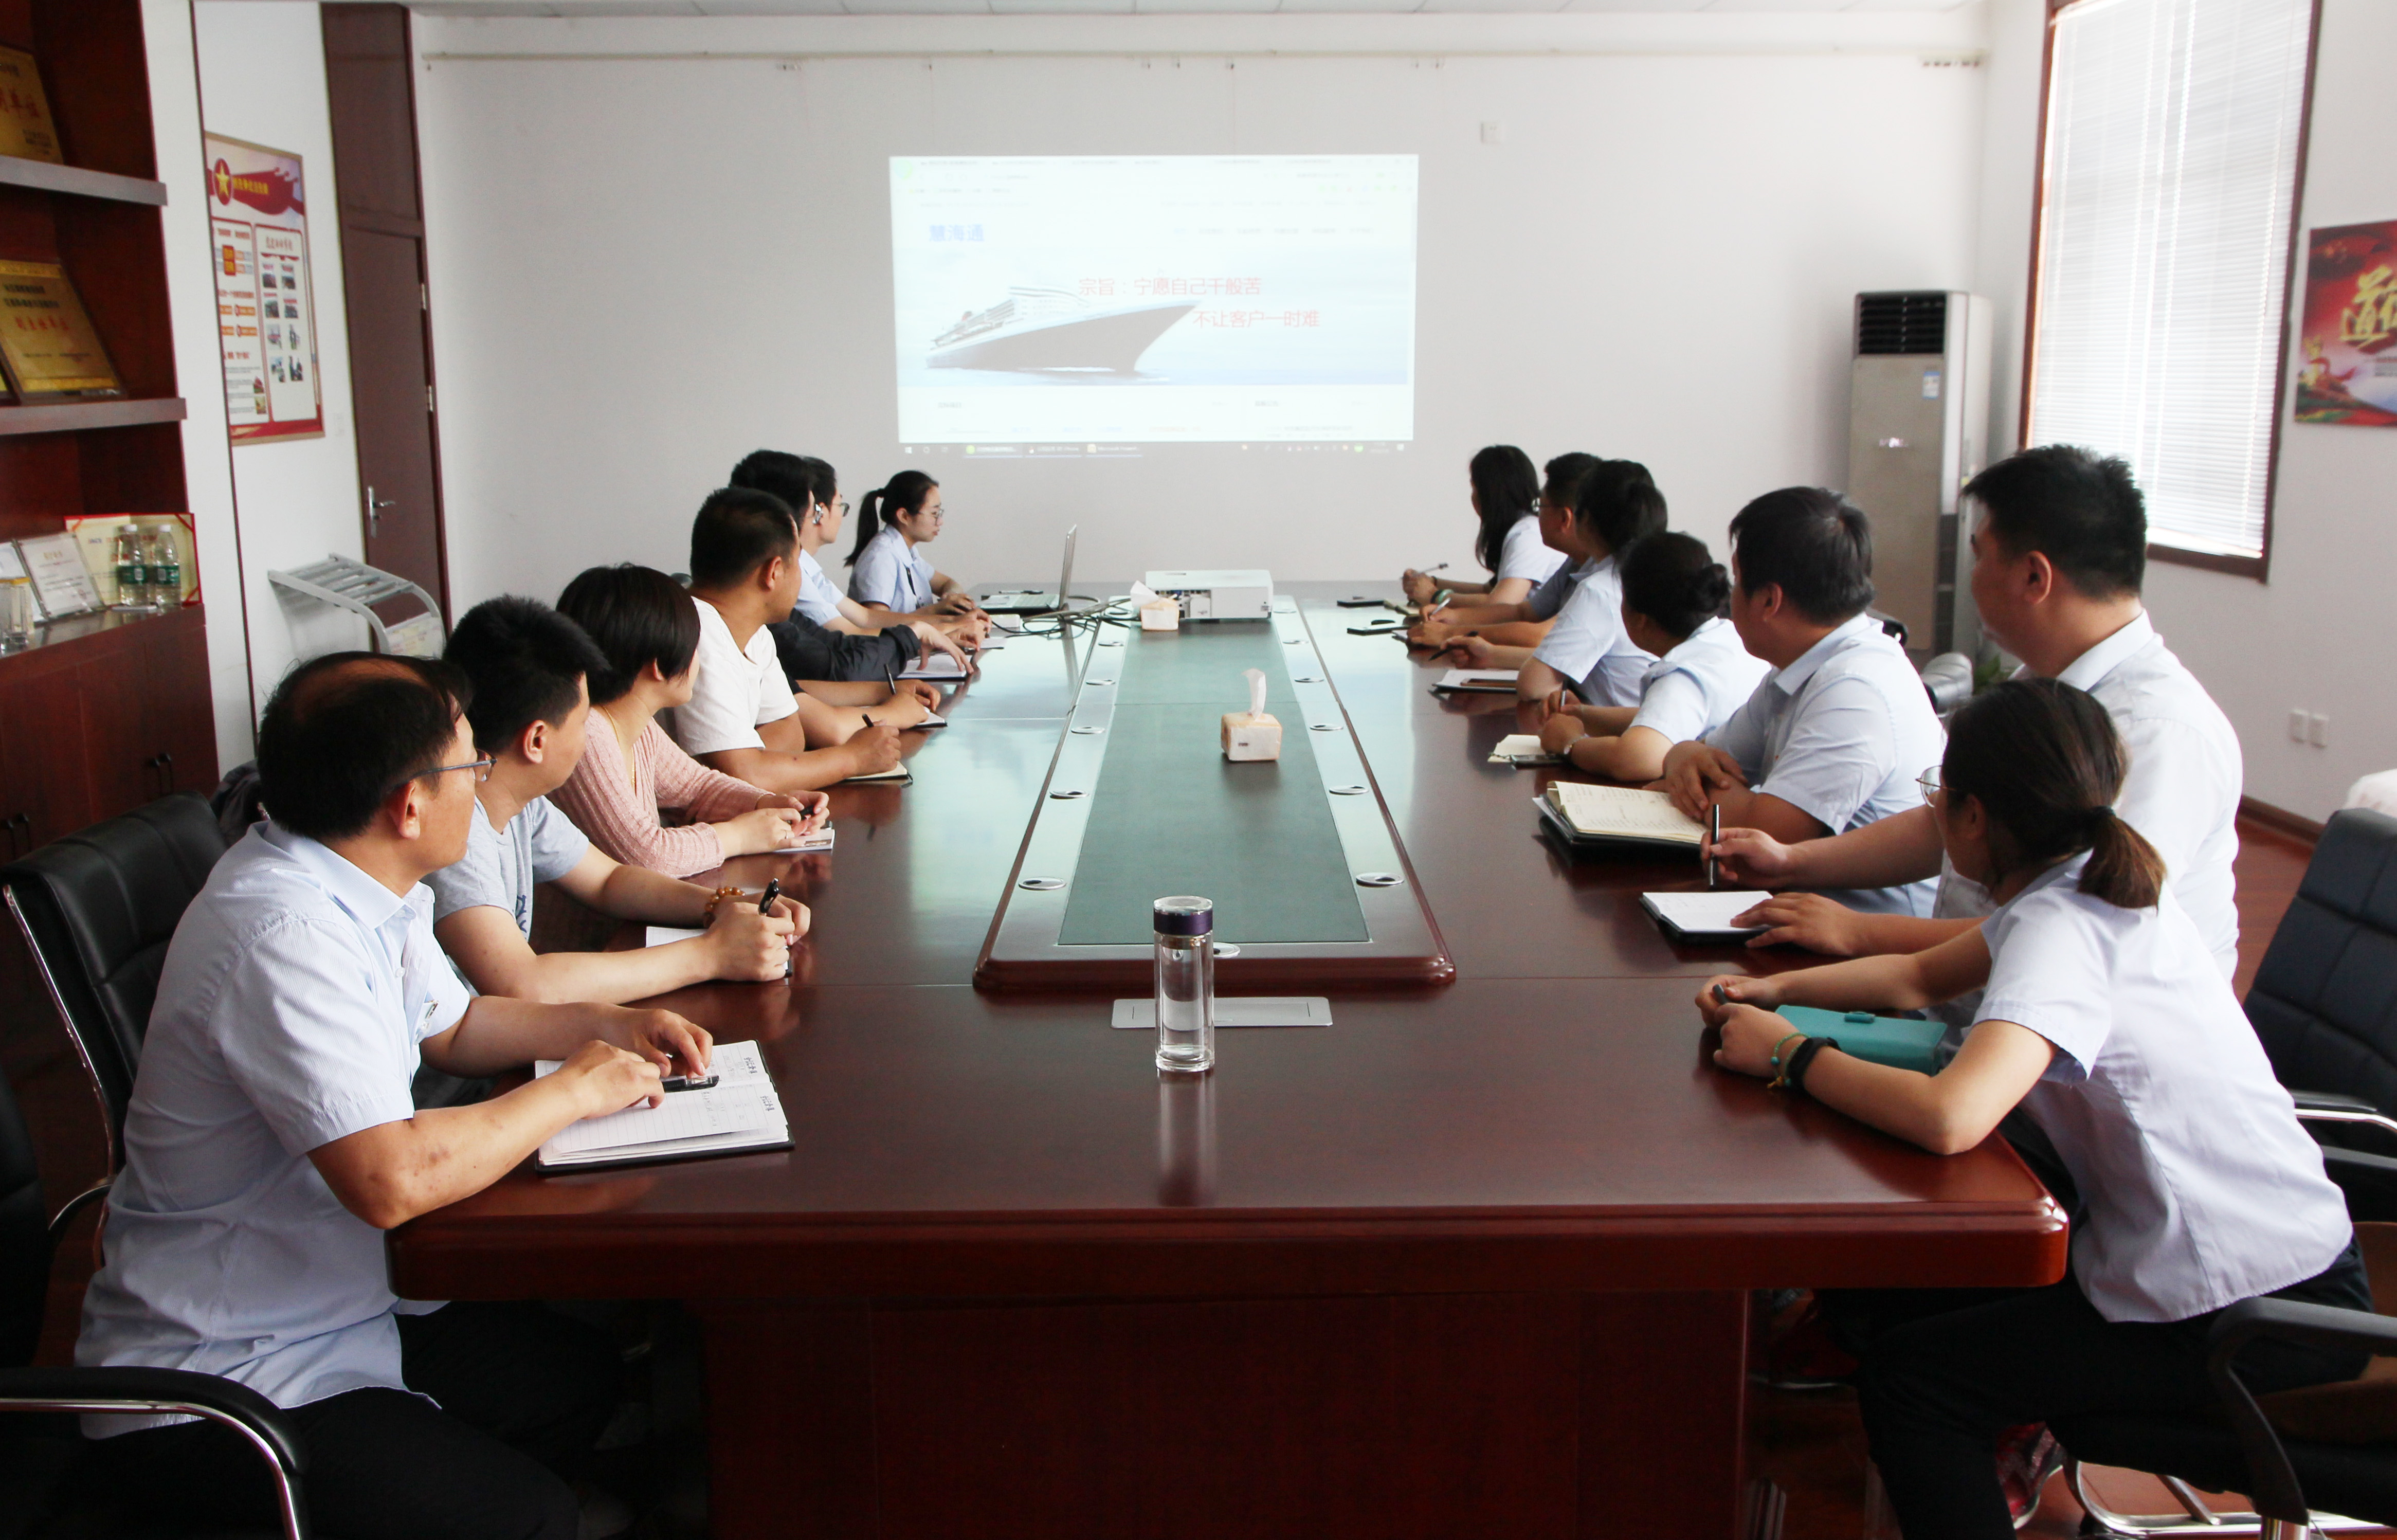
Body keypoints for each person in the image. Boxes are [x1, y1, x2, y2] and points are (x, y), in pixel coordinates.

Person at [1696, 679, 2366, 1539]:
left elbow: (1951, 1117)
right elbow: (1914, 976)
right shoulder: (2087, 884)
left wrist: (1790, 1055)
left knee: (1915, 1381)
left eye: (1938, 796)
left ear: (1974, 817)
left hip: (2251, 1308)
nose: (1934, 811)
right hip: (2266, 1258)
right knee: (1924, 1314)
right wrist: (1770, 992)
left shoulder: (2063, 929)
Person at [76, 652, 716, 1540]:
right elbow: (391, 1180)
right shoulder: (283, 932)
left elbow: (457, 1026)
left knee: (580, 1374)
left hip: (342, 1295)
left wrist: (607, 1025)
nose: (483, 779)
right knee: (528, 1516)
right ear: (409, 805)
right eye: (470, 762)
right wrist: (574, 1090)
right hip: (224, 1377)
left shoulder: (364, 877)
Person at [1706, 445, 2243, 979]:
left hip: (2078, 1026)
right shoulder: (2039, 684)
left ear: (2034, 577)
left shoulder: (2156, 731)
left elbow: (2075, 932)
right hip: (1970, 997)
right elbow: (1945, 824)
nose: (1973, 575)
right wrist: (1789, 861)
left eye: (1980, 555)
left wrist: (1860, 931)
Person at [430, 595, 810, 1003]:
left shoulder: (521, 803)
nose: (588, 735)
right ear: (537, 741)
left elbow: (608, 881)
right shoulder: (458, 828)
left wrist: (725, 903)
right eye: (582, 721)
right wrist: (711, 954)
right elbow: (523, 983)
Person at [1660, 487, 1944, 916]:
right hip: (1801, 913)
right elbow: (1712, 755)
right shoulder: (1801, 665)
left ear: (1768, 600)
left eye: (1737, 579)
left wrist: (1697, 775)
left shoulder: (1856, 688)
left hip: (1872, 939)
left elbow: (1764, 835)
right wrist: (1684, 753)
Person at [552, 564, 830, 877]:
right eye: (694, 647)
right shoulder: (587, 734)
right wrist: (739, 836)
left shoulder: (635, 725)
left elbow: (698, 788)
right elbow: (648, 856)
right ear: (659, 666)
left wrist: (769, 804)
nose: (697, 659)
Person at [675, 486, 913, 794]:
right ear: (774, 572)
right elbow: (743, 778)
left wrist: (755, 761)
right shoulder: (699, 631)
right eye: (798, 562)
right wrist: (853, 758)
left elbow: (791, 734)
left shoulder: (755, 633)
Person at [1536, 531, 1769, 782]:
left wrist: (1570, 743)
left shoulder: (1683, 674)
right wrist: (1582, 715)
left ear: (1639, 619)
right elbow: (1659, 721)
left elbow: (1636, 759)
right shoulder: (1727, 637)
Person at [727, 450, 980, 667]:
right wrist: (939, 628)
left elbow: (865, 618)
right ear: (817, 513)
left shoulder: (807, 569)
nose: (842, 514)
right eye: (840, 506)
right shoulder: (794, 573)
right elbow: (854, 635)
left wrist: (947, 623)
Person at [1410, 451, 1595, 650]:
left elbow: (1538, 633)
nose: (1537, 514)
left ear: (1565, 518)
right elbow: (1522, 612)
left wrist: (1447, 627)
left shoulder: (1529, 535)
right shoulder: (1573, 563)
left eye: (1541, 505)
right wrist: (1455, 617)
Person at [1400, 445, 1559, 612]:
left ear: (1489, 493)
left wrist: (1434, 595)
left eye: (1474, 488)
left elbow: (1501, 604)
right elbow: (1488, 591)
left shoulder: (1527, 535)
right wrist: (1433, 583)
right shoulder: (1523, 528)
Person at [846, 469, 976, 615]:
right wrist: (936, 611)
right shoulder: (881, 556)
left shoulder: (908, 551)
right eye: (934, 514)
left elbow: (947, 583)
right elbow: (876, 622)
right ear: (904, 516)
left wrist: (952, 596)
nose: (940, 522)